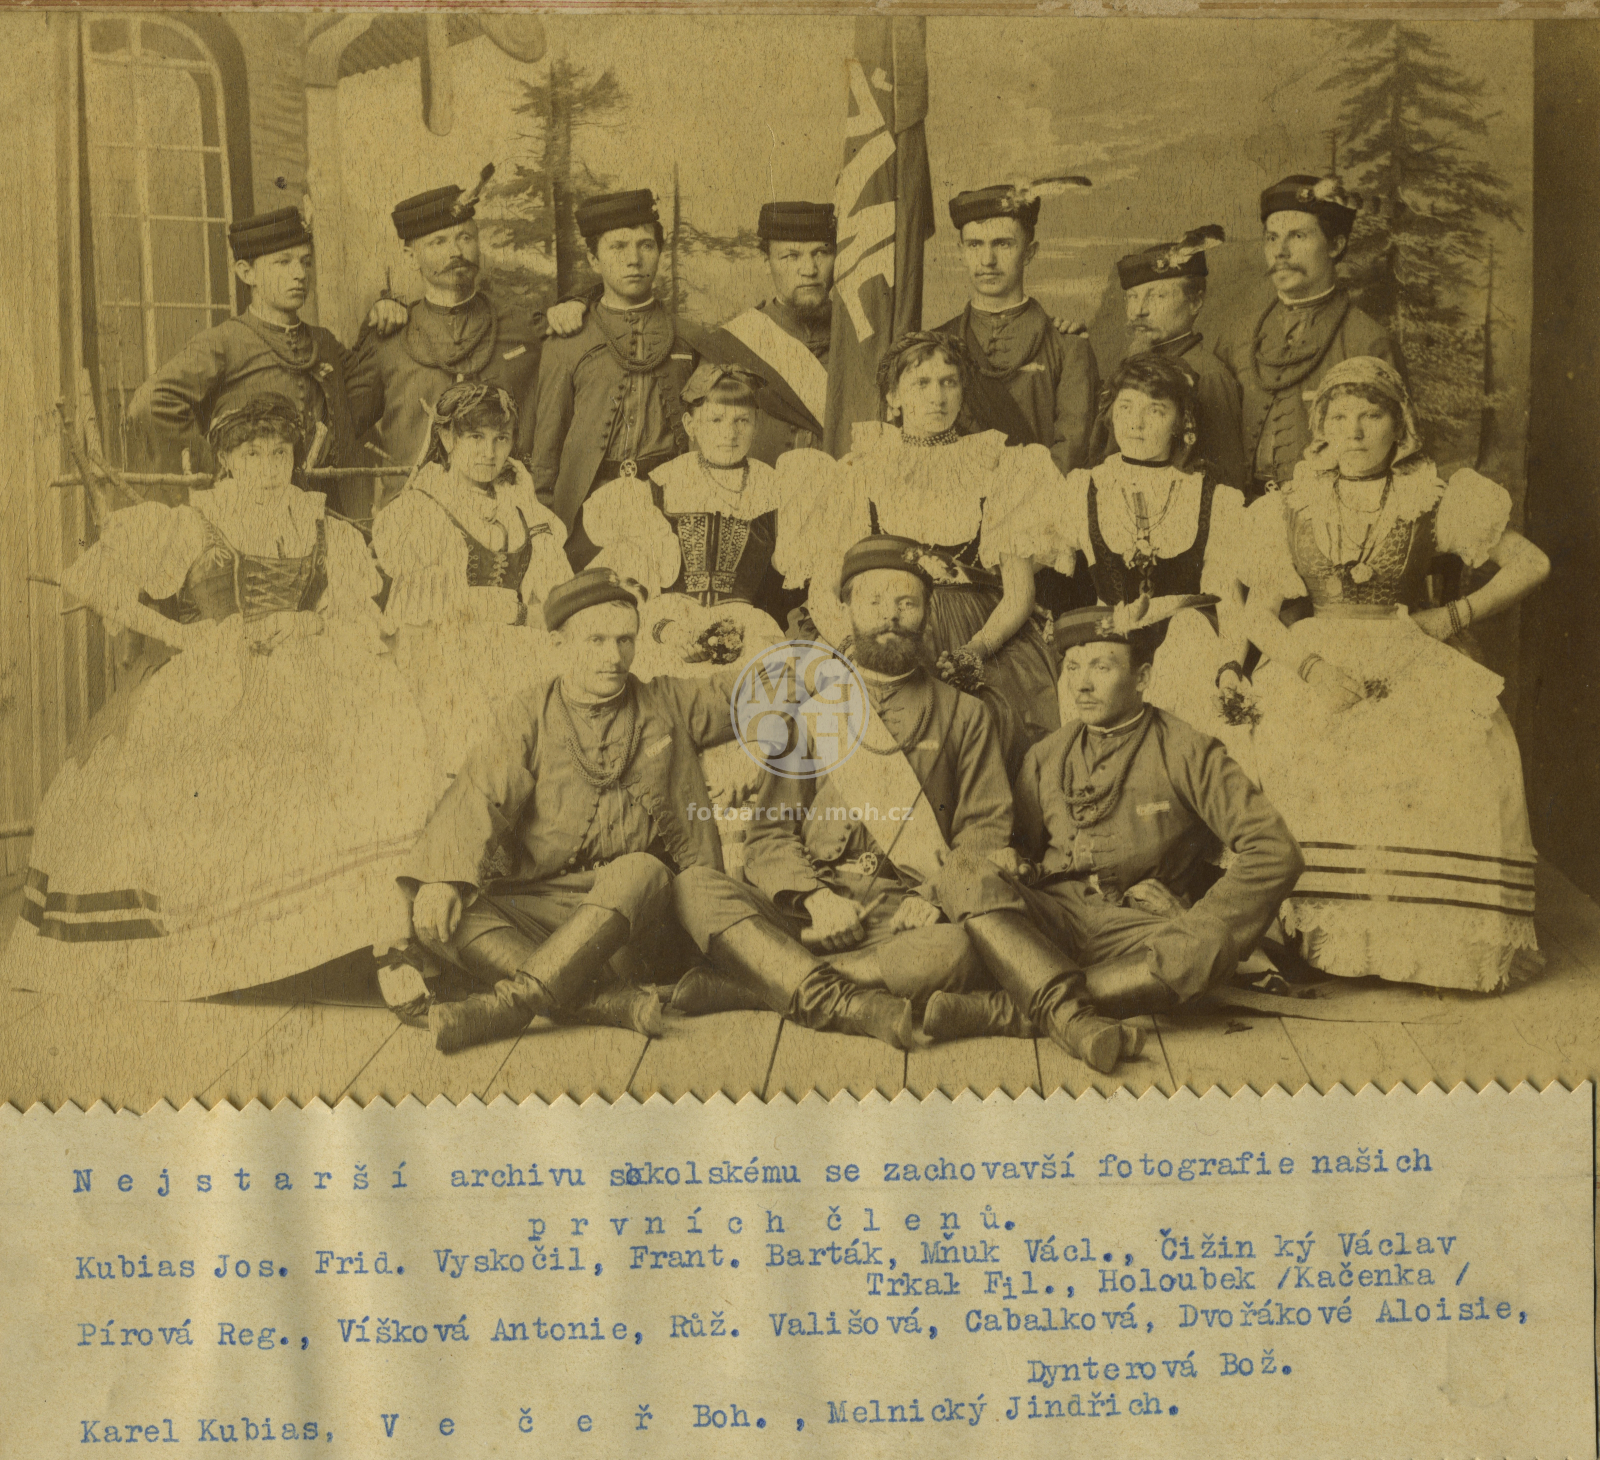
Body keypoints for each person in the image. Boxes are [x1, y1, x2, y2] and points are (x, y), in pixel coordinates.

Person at [7, 395, 433, 999]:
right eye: (252, 455)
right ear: (229, 460)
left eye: (279, 453)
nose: (268, 467)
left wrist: (305, 624)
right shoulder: (191, 522)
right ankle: (229, 948)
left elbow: (353, 614)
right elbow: (99, 581)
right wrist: (182, 636)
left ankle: (373, 944)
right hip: (212, 679)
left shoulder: (320, 526)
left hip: (307, 677)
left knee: (365, 764)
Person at [1238, 357, 1549, 992]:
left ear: (1398, 426)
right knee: (1283, 749)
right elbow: (1256, 616)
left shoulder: (1432, 496)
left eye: (1370, 416)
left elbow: (1532, 563)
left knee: (1455, 755)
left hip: (1407, 648)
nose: (1354, 432)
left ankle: (1425, 954)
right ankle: (1320, 945)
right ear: (1320, 427)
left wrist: (1452, 615)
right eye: (1339, 417)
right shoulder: (1290, 504)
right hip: (1316, 657)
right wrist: (1313, 668)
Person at [672, 538, 1017, 1035]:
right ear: (848, 608)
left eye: (906, 602)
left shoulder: (966, 714)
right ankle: (841, 989)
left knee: (957, 950)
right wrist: (817, 900)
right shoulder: (812, 708)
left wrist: (937, 897)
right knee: (693, 887)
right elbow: (769, 834)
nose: (890, 616)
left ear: (928, 611)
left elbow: (985, 831)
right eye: (874, 601)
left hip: (902, 914)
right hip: (809, 913)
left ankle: (759, 984)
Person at [399, 568, 748, 1053]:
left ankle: (510, 1005)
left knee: (642, 870)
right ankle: (603, 1001)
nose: (614, 656)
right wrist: (442, 878)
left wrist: (815, 666)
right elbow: (479, 795)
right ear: (559, 647)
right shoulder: (527, 714)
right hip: (541, 903)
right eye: (597, 640)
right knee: (436, 914)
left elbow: (740, 693)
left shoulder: (666, 701)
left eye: (626, 640)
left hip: (634, 920)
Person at [948, 603, 1304, 1061]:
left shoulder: (1186, 750)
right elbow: (1017, 847)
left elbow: (1276, 850)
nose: (1082, 683)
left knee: (1208, 944)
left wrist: (1199, 916)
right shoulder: (1046, 755)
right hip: (1058, 917)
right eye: (1072, 666)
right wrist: (1013, 862)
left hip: (1138, 932)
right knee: (962, 868)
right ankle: (1068, 1016)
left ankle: (1007, 1010)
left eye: (1101, 666)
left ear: (1142, 677)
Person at [775, 332, 1061, 778]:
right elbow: (823, 592)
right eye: (921, 383)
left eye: (949, 383)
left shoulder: (1001, 467)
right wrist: (855, 649)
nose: (937, 397)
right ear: (893, 398)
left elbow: (1019, 593)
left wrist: (975, 652)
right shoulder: (859, 470)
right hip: (882, 625)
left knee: (998, 720)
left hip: (980, 630)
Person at [583, 361, 793, 871]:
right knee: (657, 706)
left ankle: (738, 860)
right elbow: (630, 588)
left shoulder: (779, 488)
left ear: (757, 426)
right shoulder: (656, 487)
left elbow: (793, 584)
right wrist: (666, 629)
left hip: (748, 623)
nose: (729, 433)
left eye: (742, 421)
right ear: (691, 424)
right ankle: (664, 847)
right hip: (669, 621)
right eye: (716, 420)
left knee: (761, 698)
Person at [1041, 352, 1251, 749]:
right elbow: (1054, 580)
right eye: (1126, 408)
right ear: (1111, 414)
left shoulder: (1213, 498)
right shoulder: (1082, 489)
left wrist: (1230, 667)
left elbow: (1228, 598)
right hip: (1105, 646)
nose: (1136, 424)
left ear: (1181, 422)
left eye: (1155, 411)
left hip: (1188, 650)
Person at [371, 382, 572, 796]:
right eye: (475, 438)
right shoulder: (420, 509)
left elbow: (552, 591)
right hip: (446, 655)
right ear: (446, 439)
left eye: (501, 439)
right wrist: (515, 613)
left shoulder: (521, 505)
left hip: (514, 651)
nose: (490, 452)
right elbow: (433, 614)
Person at [126, 204, 360, 511]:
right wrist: (218, 469)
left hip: (320, 510)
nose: (299, 274)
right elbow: (151, 403)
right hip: (247, 514)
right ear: (246, 273)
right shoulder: (223, 342)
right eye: (283, 262)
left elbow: (366, 386)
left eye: (305, 262)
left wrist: (381, 318)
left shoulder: (324, 342)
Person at [346, 167, 546, 502]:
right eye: (438, 242)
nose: (456, 251)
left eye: (465, 238)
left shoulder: (520, 328)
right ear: (412, 256)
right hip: (415, 513)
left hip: (506, 510)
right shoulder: (387, 338)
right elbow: (344, 424)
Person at [530, 190, 697, 569]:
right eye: (618, 246)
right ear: (594, 258)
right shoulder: (568, 340)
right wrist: (543, 526)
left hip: (670, 506)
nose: (634, 259)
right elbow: (546, 447)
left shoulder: (686, 337)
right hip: (585, 511)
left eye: (646, 245)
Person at [1216, 175, 1400, 500]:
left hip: (1329, 513)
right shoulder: (1238, 334)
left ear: (1335, 245)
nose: (1281, 253)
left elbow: (1392, 457)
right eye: (1271, 239)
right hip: (1244, 514)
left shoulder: (1366, 340)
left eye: (1298, 236)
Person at [933, 184, 1100, 477]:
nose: (987, 260)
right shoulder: (937, 344)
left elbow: (1071, 450)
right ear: (961, 252)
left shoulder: (1067, 347)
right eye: (974, 245)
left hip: (1038, 507)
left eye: (1003, 244)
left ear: (1029, 252)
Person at [1100, 226, 1246, 490]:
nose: (1138, 311)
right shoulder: (1131, 365)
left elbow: (1228, 479)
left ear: (1195, 303)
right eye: (1132, 297)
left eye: (1157, 295)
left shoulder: (1209, 375)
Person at [697, 201, 837, 465]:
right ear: (766, 262)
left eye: (821, 252)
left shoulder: (859, 336)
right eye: (791, 256)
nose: (809, 269)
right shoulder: (735, 343)